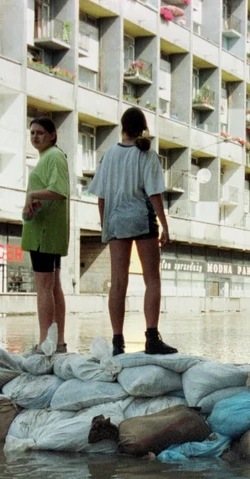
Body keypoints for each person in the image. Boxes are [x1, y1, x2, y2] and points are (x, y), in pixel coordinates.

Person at [88, 107, 176, 356]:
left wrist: (105, 225)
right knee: (152, 279)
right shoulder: (147, 154)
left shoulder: (109, 155)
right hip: (142, 218)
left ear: (122, 127)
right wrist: (165, 225)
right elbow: (154, 193)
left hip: (116, 221)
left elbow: (101, 196)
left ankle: (118, 342)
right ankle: (151, 338)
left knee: (118, 283)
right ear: (143, 128)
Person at [21, 118, 70, 353]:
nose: (35, 137)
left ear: (53, 135)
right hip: (49, 230)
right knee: (53, 286)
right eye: (32, 133)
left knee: (44, 287)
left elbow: (59, 191)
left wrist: (31, 195)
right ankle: (57, 341)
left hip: (44, 231)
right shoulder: (51, 157)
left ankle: (45, 343)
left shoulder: (53, 156)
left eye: (40, 132)